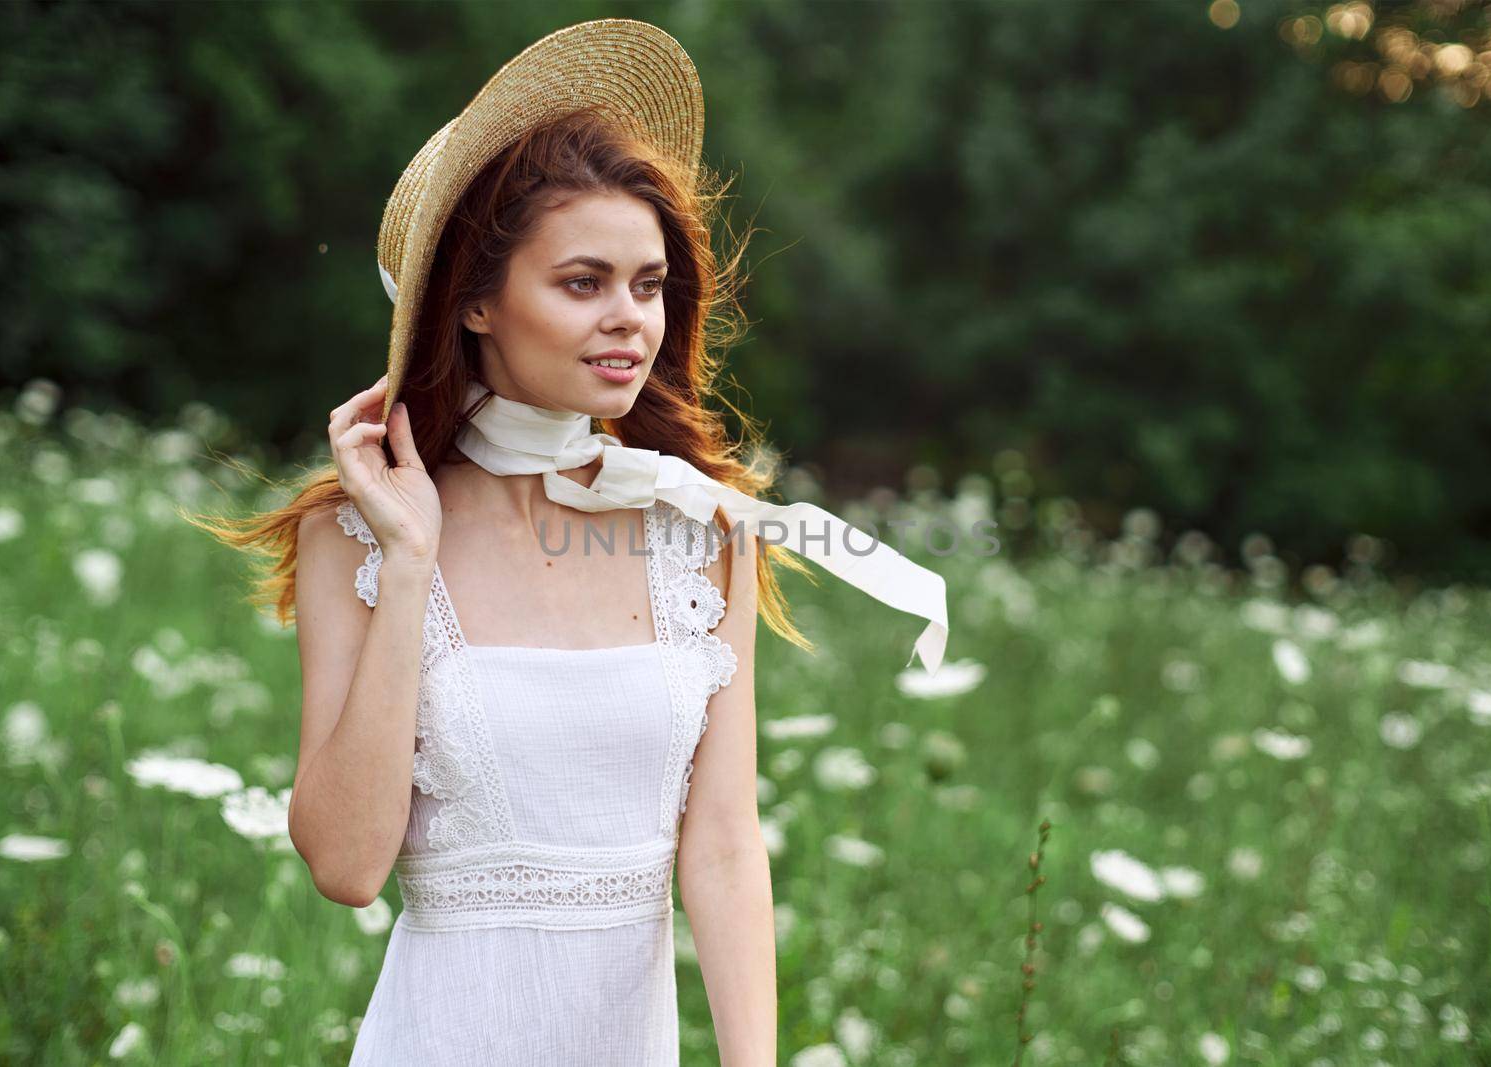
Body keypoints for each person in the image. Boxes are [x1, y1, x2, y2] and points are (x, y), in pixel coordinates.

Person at [193, 19, 947, 1065]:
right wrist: (410, 564)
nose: (630, 319)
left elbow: (724, 844)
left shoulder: (702, 525)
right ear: (473, 306)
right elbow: (347, 866)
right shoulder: (354, 535)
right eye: (583, 282)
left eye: (647, 285)